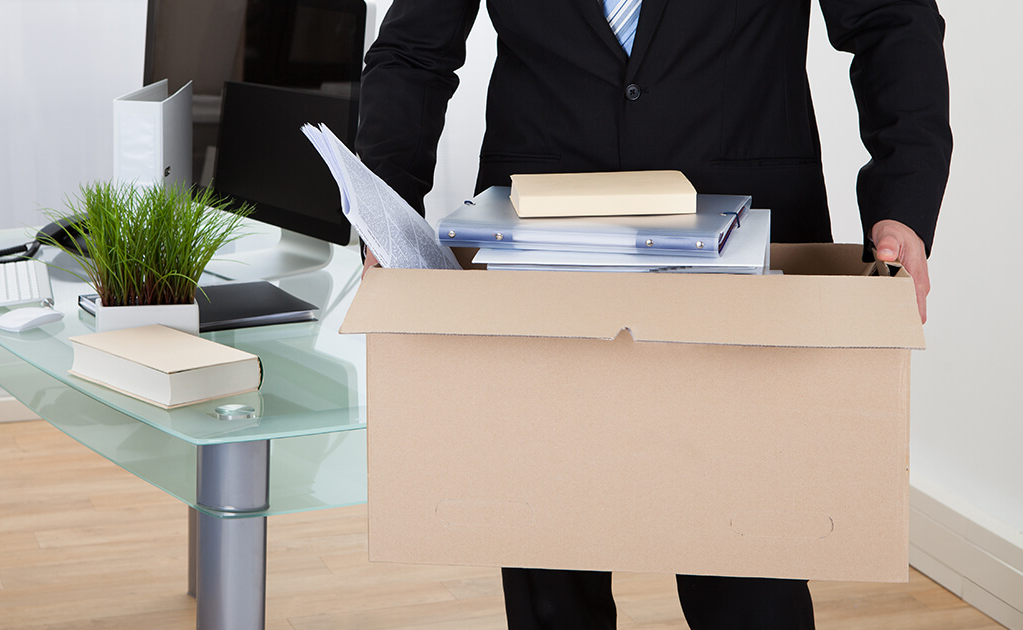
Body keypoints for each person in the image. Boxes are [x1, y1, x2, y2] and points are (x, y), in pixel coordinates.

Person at [354, 0, 951, 627]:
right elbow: (413, 50)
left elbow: (891, 21)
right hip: (536, 253)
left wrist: (902, 200)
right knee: (548, 564)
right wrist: (384, 207)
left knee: (747, 571)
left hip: (746, 259)